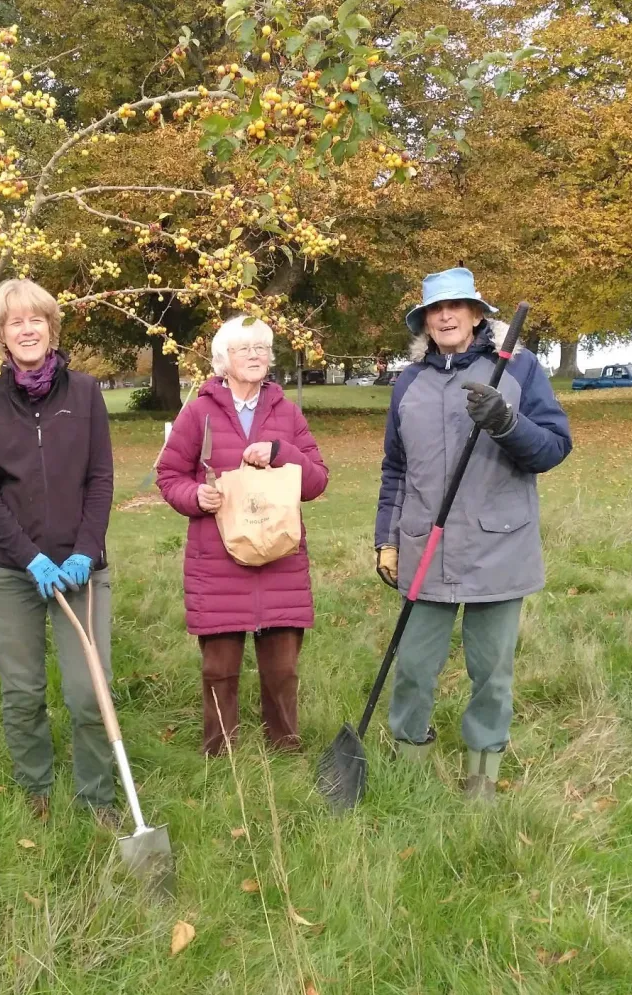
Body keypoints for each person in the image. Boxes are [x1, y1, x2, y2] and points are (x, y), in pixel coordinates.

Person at [375, 267, 572, 799]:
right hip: (425, 547)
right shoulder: (409, 382)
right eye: (434, 310)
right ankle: (409, 762)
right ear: (423, 321)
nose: (445, 316)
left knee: (492, 673)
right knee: (414, 666)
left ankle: (481, 774)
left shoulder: (519, 368)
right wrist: (385, 539)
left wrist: (507, 421)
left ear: (476, 313)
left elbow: (553, 448)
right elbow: (396, 470)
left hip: (499, 545)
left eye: (456, 306)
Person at [0, 279, 117, 824]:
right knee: (24, 692)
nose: (27, 330)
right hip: (10, 571)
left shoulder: (86, 393)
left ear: (52, 330)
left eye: (37, 321)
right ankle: (37, 790)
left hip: (80, 569)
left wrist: (84, 550)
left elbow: (100, 479)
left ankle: (98, 796)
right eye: (15, 323)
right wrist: (29, 557)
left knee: (88, 692)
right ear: (2, 337)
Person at [157, 315, 329, 755]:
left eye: (262, 348)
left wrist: (282, 453)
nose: (254, 355)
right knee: (219, 668)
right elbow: (169, 474)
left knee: (283, 669)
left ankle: (285, 748)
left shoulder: (287, 413)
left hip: (281, 561)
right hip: (216, 562)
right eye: (243, 348)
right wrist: (196, 496)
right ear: (223, 360)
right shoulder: (198, 413)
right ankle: (220, 754)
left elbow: (315, 481)